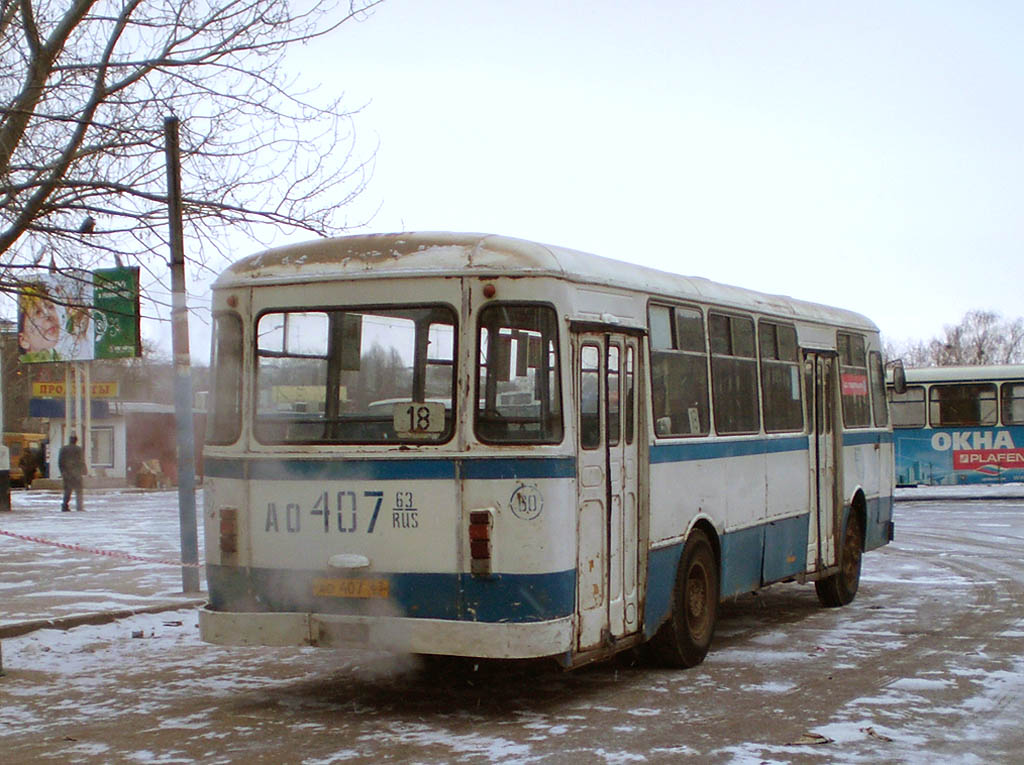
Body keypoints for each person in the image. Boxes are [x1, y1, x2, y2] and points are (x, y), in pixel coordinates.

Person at [58, 435, 86, 512]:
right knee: (79, 491)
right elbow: (81, 461)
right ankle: (79, 507)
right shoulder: (78, 449)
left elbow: (60, 462)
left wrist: (63, 472)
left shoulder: (63, 449)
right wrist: (84, 471)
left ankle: (64, 506)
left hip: (67, 474)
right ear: (76, 441)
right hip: (76, 474)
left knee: (67, 491)